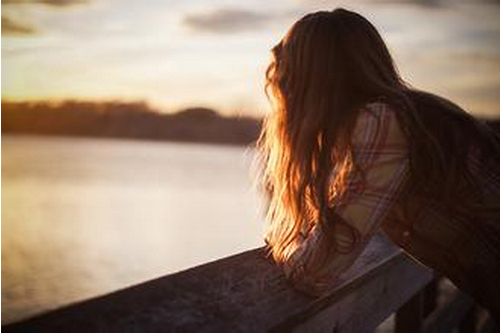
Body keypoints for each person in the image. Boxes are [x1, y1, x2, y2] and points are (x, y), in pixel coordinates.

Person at [257, 8, 500, 323]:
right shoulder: (407, 115)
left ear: (311, 81)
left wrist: (283, 248)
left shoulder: (382, 121)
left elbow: (316, 270)